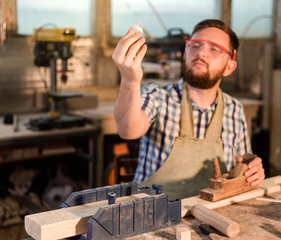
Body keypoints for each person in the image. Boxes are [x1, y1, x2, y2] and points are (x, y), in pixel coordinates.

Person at [112, 19, 265, 199]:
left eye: (214, 49)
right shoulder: (158, 96)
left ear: (229, 67)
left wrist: (252, 171)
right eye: (195, 45)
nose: (201, 53)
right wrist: (130, 81)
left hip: (211, 216)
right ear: (185, 55)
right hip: (150, 215)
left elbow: (242, 165)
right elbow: (127, 129)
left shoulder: (235, 110)